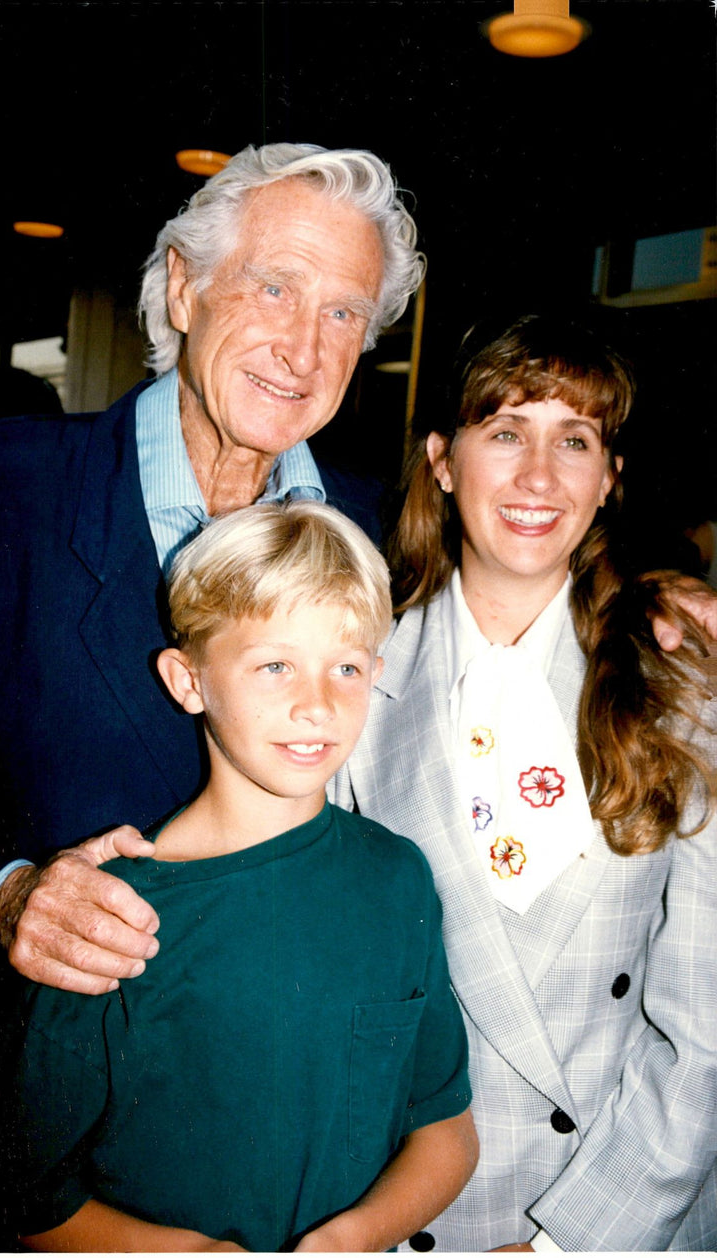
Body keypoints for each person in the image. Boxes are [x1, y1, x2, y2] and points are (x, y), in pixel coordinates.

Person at [0, 140, 424, 1250]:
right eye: (275, 287)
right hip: (15, 1169)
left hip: (281, 1169)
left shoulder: (383, 534)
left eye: (344, 313)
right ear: (185, 290)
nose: (303, 346)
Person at [332, 313, 717, 1251]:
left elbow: (705, 1026)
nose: (539, 478)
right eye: (505, 433)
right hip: (409, 1210)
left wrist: (566, 1245)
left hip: (626, 1214)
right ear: (443, 460)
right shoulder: (350, 680)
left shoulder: (683, 682)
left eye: (574, 441)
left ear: (609, 478)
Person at [14, 500, 478, 1253]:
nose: (317, 703)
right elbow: (29, 1189)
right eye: (274, 665)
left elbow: (446, 1129)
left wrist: (350, 1239)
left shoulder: (398, 879)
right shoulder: (116, 913)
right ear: (188, 679)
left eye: (347, 667)